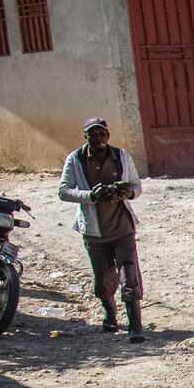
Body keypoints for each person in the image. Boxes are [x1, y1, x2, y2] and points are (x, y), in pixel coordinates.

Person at [59, 117, 146, 342]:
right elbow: (64, 191)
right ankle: (110, 314)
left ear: (108, 135)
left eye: (102, 134)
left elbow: (136, 186)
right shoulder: (75, 159)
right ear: (85, 137)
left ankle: (135, 325)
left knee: (129, 274)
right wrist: (90, 195)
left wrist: (126, 192)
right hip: (94, 230)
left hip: (122, 226)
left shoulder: (122, 156)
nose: (98, 138)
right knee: (104, 277)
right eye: (93, 134)